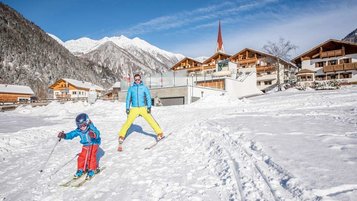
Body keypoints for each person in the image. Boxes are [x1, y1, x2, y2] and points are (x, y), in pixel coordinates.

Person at [117, 73, 164, 151]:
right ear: (134, 80)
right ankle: (121, 136)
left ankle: (159, 133)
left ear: (140, 79)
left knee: (151, 120)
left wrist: (149, 107)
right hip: (134, 108)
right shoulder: (131, 88)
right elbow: (128, 99)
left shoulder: (144, 88)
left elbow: (148, 97)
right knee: (128, 122)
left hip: (143, 108)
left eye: (138, 79)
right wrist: (127, 108)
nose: (137, 81)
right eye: (136, 80)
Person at [57, 113, 101, 179]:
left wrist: (93, 134)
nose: (82, 127)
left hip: (93, 143)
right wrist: (64, 135)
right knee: (82, 156)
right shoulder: (79, 130)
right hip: (86, 145)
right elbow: (71, 134)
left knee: (91, 156)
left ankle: (92, 169)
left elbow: (97, 132)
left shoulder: (91, 128)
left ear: (87, 122)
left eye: (84, 125)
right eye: (80, 125)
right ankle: (80, 169)